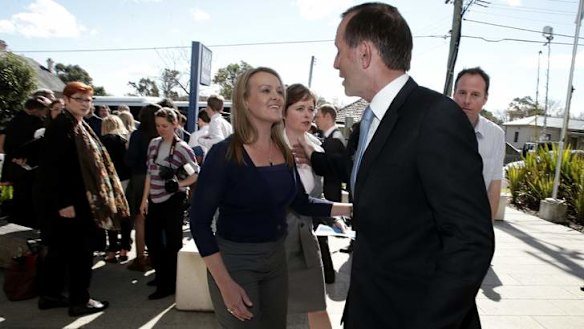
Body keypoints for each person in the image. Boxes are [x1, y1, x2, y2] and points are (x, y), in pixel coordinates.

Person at [294, 3, 494, 328]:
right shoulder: (368, 122)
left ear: (364, 54)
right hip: (369, 307)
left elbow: (470, 240)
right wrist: (312, 156)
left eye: (339, 50)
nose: (335, 63)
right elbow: (367, 174)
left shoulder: (436, 117)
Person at [190, 67, 352, 329]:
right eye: (266, 90)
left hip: (277, 262)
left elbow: (302, 203)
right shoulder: (224, 154)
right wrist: (225, 284)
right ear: (244, 100)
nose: (276, 96)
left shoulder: (284, 152)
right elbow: (199, 223)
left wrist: (354, 209)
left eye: (279, 90)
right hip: (237, 263)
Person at [37, 81, 129, 317]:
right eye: (80, 99)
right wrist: (64, 203)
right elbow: (53, 168)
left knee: (59, 250)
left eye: (89, 100)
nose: (86, 104)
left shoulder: (76, 125)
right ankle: (80, 300)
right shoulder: (64, 127)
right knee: (80, 252)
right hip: (73, 203)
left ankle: (50, 295)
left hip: (75, 201)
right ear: (66, 100)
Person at [282, 83, 342, 329]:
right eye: (300, 108)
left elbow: (315, 193)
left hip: (305, 235)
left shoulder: (315, 145)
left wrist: (332, 217)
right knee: (270, 307)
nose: (308, 114)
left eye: (311, 108)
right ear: (284, 111)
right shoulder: (269, 143)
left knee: (316, 303)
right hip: (271, 238)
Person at [140, 107, 198, 300]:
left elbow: (196, 174)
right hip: (155, 198)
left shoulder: (182, 148)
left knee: (172, 243)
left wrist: (178, 184)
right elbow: (149, 172)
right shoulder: (153, 144)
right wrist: (144, 200)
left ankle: (169, 283)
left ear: (175, 124)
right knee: (152, 240)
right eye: (158, 125)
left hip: (173, 200)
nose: (161, 129)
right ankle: (160, 275)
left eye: (165, 125)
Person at [453, 67, 505, 220]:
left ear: (485, 99)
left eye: (475, 95)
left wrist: (487, 233)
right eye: (462, 93)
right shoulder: (432, 127)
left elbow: (493, 188)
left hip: (471, 224)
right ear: (454, 93)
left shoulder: (496, 135)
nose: (467, 101)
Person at [313, 103, 347, 279]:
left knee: (322, 235)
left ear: (327, 117)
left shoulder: (333, 140)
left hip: (327, 193)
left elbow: (327, 169)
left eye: (318, 116)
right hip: (328, 192)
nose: (315, 120)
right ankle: (326, 272)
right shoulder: (332, 137)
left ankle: (327, 272)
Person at [125, 104, 160, 272]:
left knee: (140, 219)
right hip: (159, 180)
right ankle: (154, 256)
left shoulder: (138, 135)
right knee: (156, 220)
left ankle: (140, 258)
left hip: (140, 177)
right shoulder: (162, 134)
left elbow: (130, 160)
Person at [100, 115, 131, 263]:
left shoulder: (101, 142)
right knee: (125, 216)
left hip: (107, 182)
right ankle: (124, 249)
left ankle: (112, 250)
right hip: (124, 180)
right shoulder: (124, 141)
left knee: (111, 216)